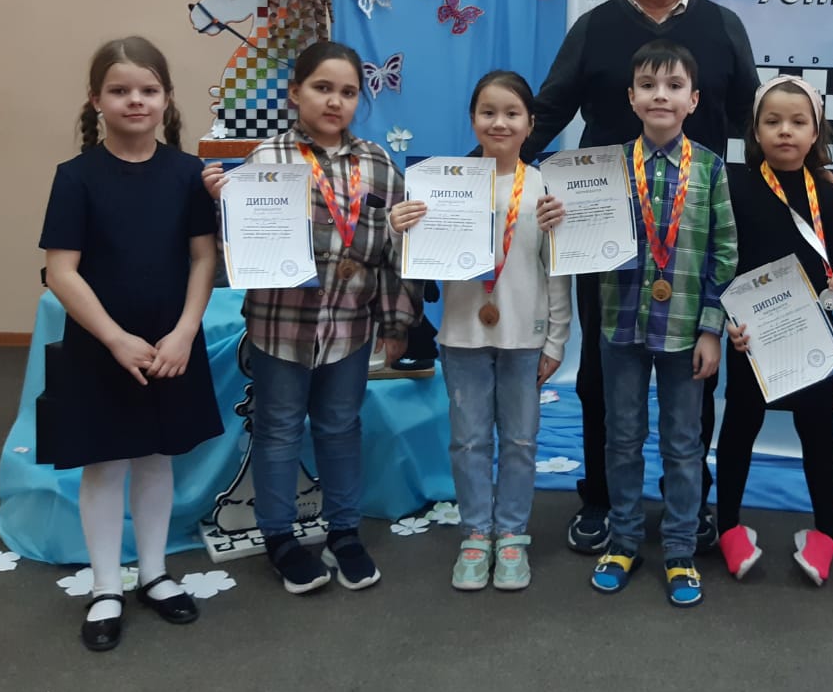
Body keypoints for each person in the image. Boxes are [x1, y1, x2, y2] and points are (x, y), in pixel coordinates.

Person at [525, 0, 759, 557]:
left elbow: (755, 120)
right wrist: (487, 176)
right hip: (601, 231)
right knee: (602, 377)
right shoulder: (594, 28)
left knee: (694, 374)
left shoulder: (722, 26)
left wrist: (813, 182)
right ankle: (601, 499)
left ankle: (692, 502)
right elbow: (546, 112)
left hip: (689, 232)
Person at [202, 41, 421, 596]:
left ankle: (343, 532)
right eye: (322, 88)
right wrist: (220, 205)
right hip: (280, 327)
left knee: (341, 427)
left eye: (348, 92)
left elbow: (395, 253)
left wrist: (396, 324)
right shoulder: (265, 162)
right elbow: (233, 251)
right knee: (278, 429)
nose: (335, 101)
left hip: (349, 328)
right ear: (296, 92)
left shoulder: (377, 163)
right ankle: (279, 538)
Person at [38, 37, 223, 652]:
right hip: (102, 345)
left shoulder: (189, 174)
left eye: (148, 89)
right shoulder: (75, 178)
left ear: (167, 98)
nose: (135, 100)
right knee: (105, 462)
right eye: (120, 91)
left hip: (171, 343)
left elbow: (204, 258)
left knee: (155, 457)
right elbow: (62, 271)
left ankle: (154, 574)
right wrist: (115, 338)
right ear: (96, 100)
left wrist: (185, 332)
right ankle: (104, 586)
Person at [389, 71, 571, 592]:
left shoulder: (544, 188)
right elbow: (416, 263)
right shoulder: (443, 185)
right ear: (472, 120)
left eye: (512, 113)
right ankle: (475, 533)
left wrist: (556, 339)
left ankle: (511, 534)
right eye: (488, 112)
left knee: (520, 440)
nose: (499, 123)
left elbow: (557, 270)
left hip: (525, 338)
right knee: (468, 441)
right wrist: (401, 229)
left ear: (530, 124)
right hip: (462, 336)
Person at [576, 40, 737, 607]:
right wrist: (559, 224)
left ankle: (678, 549)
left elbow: (725, 254)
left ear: (694, 100)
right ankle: (623, 541)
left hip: (686, 332)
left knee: (683, 444)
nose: (660, 96)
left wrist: (712, 329)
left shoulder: (711, 169)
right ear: (631, 97)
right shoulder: (604, 169)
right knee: (622, 438)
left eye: (673, 86)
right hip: (620, 325)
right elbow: (580, 240)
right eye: (648, 85)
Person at [715, 77, 833, 585]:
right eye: (772, 121)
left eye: (798, 122)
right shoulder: (734, 186)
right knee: (739, 427)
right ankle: (727, 526)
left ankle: (825, 533)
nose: (785, 131)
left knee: (818, 432)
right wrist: (728, 321)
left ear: (816, 132)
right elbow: (722, 263)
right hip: (750, 337)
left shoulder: (829, 193)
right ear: (755, 131)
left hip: (811, 334)